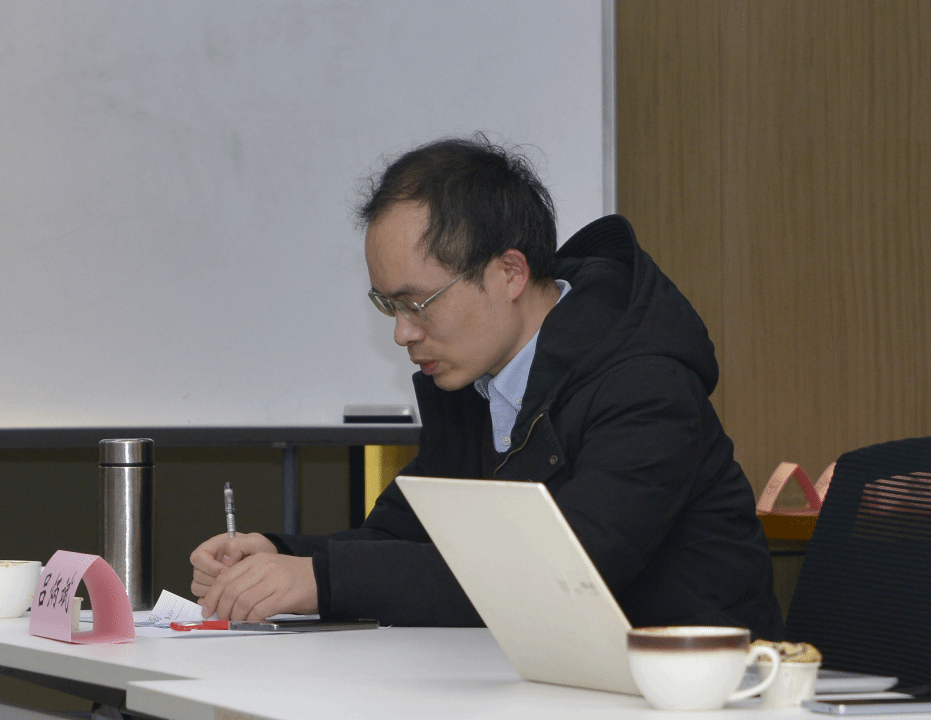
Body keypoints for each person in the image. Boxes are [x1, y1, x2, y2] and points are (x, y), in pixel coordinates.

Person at [191, 136, 785, 639]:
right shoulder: (473, 383)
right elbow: (398, 537)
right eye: (389, 305)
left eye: (417, 303)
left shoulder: (646, 389)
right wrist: (282, 556)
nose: (402, 333)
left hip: (704, 695)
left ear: (509, 273)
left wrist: (321, 580)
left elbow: (561, 578)